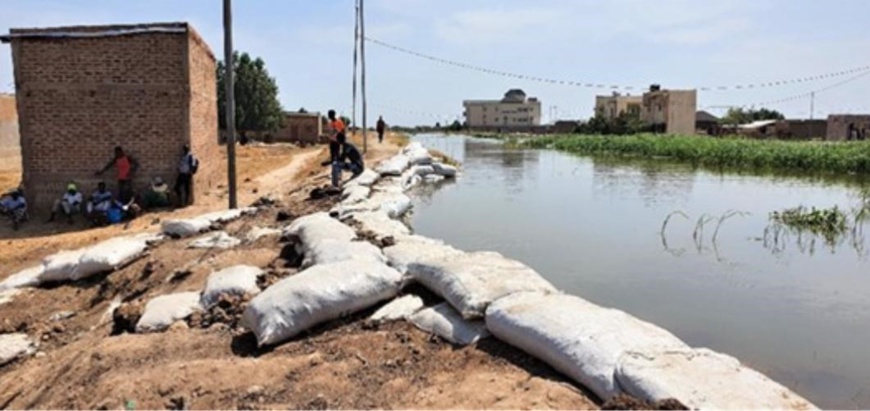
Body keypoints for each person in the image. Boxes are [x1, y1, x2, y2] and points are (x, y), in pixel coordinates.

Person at [321, 110, 347, 187]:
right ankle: (334, 173)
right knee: (333, 157)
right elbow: (330, 132)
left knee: (337, 157)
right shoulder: (330, 123)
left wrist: (342, 139)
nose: (329, 116)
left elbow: (343, 130)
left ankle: (338, 173)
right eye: (329, 114)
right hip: (332, 142)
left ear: (333, 115)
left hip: (337, 142)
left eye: (330, 114)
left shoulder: (339, 122)